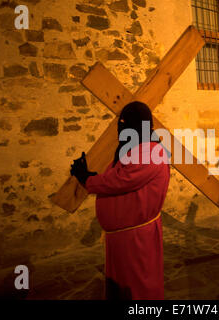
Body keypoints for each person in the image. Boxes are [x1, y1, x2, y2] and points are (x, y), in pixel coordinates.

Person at [70, 101, 170, 299]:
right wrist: (91, 175)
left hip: (136, 240)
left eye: (124, 123)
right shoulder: (138, 147)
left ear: (135, 125)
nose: (120, 128)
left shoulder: (149, 152)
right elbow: (119, 173)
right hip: (126, 237)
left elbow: (121, 180)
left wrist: (86, 178)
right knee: (123, 287)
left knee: (137, 289)